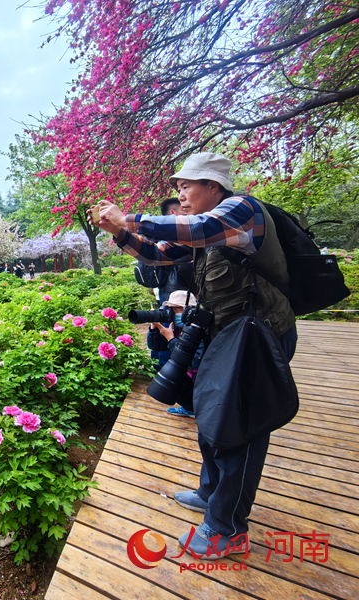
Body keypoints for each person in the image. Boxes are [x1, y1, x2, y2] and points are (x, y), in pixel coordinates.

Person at [93, 152, 297, 559]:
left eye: (187, 185)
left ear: (214, 187)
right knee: (211, 414)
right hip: (229, 337)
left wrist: (128, 217)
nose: (180, 194)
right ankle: (210, 492)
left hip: (260, 338)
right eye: (178, 187)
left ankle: (227, 529)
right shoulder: (203, 237)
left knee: (241, 431)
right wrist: (121, 235)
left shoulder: (241, 211)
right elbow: (157, 253)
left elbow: (198, 226)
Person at [146, 290, 203, 418]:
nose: (176, 313)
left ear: (191, 310)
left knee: (173, 375)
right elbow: (155, 346)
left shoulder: (199, 329)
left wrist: (171, 339)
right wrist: (154, 328)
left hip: (201, 377)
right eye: (173, 309)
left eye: (179, 309)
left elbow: (193, 363)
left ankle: (193, 408)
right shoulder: (175, 326)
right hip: (190, 375)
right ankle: (190, 407)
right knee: (166, 370)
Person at [134, 198, 194, 304]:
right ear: (172, 213)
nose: (187, 214)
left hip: (165, 289)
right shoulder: (174, 236)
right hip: (177, 290)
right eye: (183, 210)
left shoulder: (157, 235)